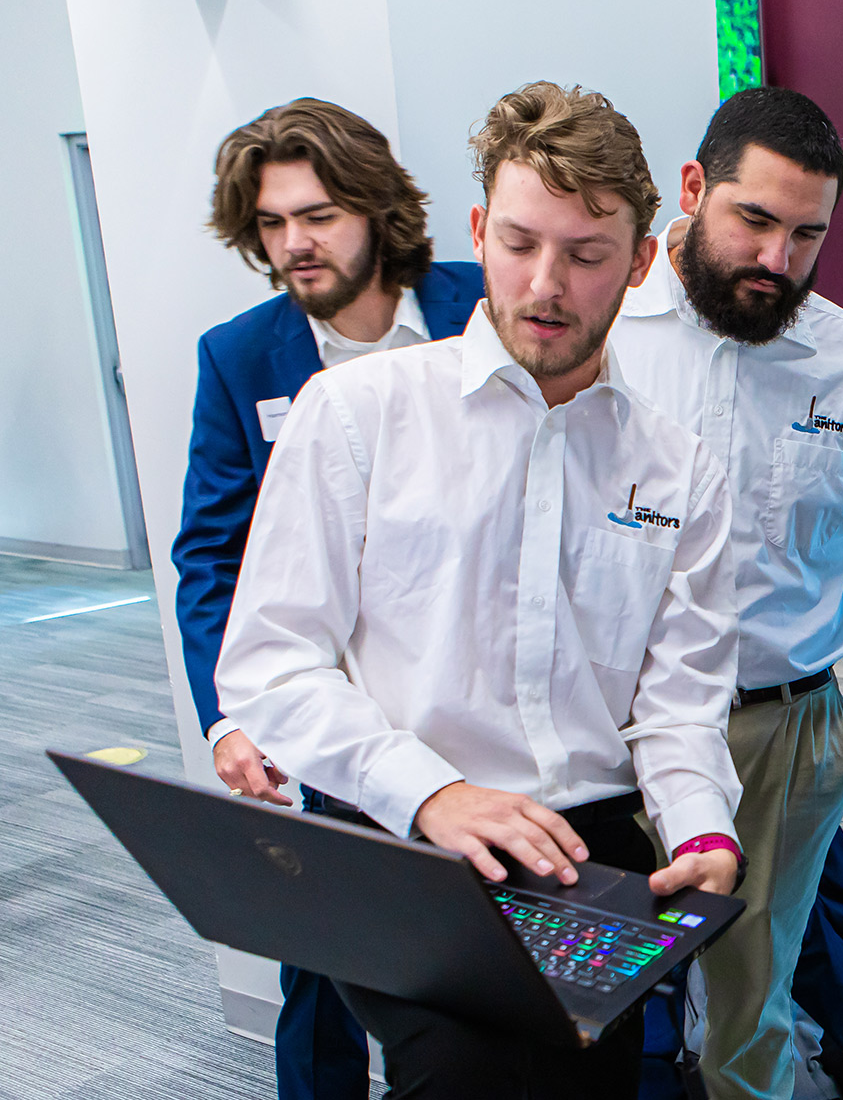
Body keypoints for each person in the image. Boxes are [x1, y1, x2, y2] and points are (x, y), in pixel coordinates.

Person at [214, 81, 743, 1098]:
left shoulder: (676, 469)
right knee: (470, 1072)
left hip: (591, 842)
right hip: (411, 833)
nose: (545, 284)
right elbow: (271, 664)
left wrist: (702, 828)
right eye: (516, 242)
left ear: (639, 262)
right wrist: (435, 794)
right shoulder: (359, 415)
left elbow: (678, 702)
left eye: (587, 256)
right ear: (476, 230)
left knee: (601, 1073)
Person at [610, 86, 843, 1100]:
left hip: (779, 734)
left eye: (807, 234)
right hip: (604, 733)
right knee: (607, 995)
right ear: (693, 188)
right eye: (755, 220)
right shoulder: (602, 334)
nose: (777, 260)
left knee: (747, 1018)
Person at [171, 96, 483, 1100]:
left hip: (483, 689)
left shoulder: (480, 305)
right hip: (336, 710)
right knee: (321, 953)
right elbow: (211, 557)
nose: (294, 243)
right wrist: (233, 716)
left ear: (376, 207)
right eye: (271, 224)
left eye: (317, 215)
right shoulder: (241, 355)